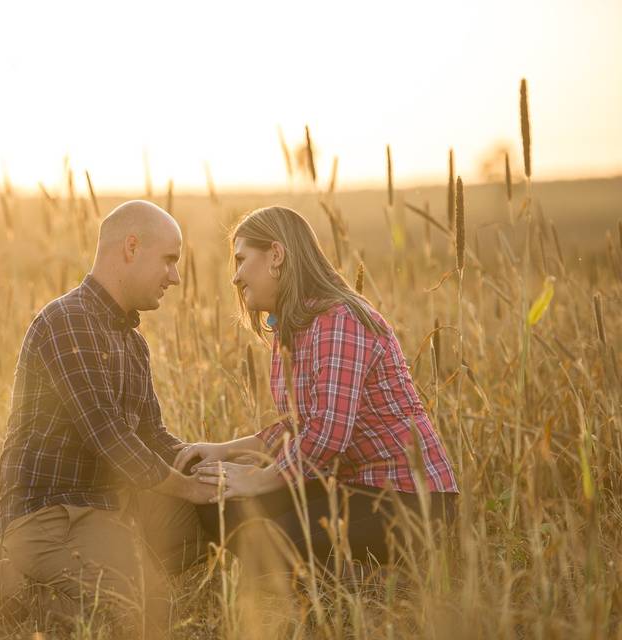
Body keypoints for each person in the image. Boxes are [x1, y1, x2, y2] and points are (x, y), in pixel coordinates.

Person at [173, 205, 459, 587]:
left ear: (276, 255)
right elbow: (301, 426)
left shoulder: (340, 319)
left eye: (241, 259)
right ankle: (322, 576)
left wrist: (260, 479)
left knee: (272, 535)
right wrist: (225, 450)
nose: (235, 276)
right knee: (217, 502)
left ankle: (361, 584)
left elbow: (328, 433)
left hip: (409, 501)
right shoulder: (295, 326)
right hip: (350, 487)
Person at [0, 200, 214, 638]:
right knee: (139, 612)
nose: (176, 277)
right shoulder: (68, 321)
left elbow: (152, 437)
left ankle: (111, 572)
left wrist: (215, 467)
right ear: (132, 247)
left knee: (208, 521)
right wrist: (187, 487)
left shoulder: (130, 342)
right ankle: (13, 591)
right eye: (169, 260)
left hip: (101, 514)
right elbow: (110, 437)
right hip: (50, 515)